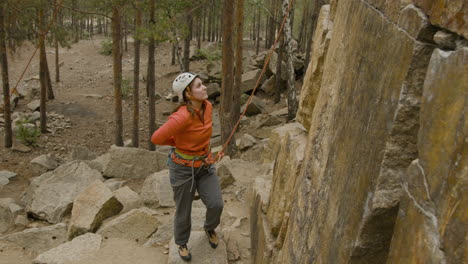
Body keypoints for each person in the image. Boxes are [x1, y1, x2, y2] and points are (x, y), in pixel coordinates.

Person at [151, 72, 224, 262]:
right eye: (199, 86)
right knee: (184, 210)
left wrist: (208, 154)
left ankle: (209, 227)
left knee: (216, 204)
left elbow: (203, 134)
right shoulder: (181, 117)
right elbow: (156, 138)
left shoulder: (207, 107)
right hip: (183, 168)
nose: (205, 87)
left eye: (202, 84)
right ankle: (182, 242)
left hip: (204, 164)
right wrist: (176, 141)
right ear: (188, 94)